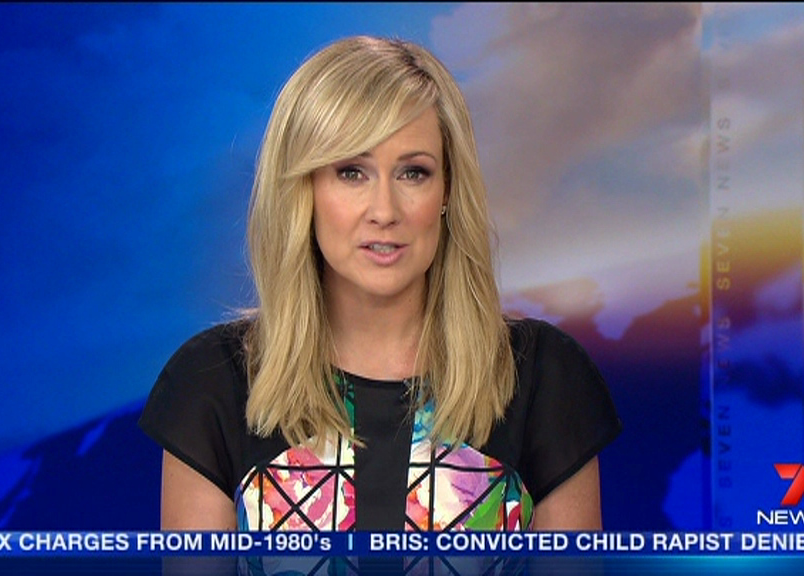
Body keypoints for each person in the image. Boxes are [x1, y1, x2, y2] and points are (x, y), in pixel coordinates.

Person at [139, 35, 621, 533]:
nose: (385, 211)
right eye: (352, 172)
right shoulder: (212, 385)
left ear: (447, 191)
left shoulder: (543, 379)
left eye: (413, 173)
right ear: (302, 190)